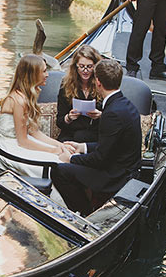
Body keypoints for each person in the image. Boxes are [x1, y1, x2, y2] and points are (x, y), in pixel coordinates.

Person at [52, 59, 142, 215]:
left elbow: (100, 159)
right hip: (122, 167)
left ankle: (85, 213)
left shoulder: (112, 113)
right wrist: (82, 147)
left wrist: (71, 159)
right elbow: (111, 146)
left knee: (59, 171)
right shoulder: (124, 104)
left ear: (98, 82)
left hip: (115, 176)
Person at [0, 54, 75, 179]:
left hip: (22, 142)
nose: (47, 74)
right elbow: (23, 141)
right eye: (43, 71)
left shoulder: (28, 95)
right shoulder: (18, 100)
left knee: (65, 157)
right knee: (58, 165)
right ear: (32, 75)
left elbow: (34, 132)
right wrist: (54, 151)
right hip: (9, 148)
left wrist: (59, 145)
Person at [56, 45, 102, 143]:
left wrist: (100, 116)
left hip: (95, 136)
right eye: (81, 66)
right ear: (75, 67)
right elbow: (59, 121)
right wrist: (68, 117)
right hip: (70, 135)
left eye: (89, 67)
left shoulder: (102, 83)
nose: (85, 71)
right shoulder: (66, 85)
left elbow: (113, 116)